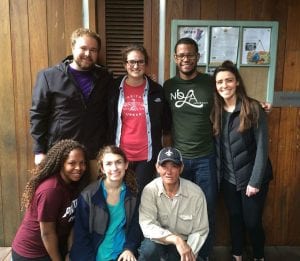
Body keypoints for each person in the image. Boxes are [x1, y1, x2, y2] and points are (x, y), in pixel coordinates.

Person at [30, 27, 113, 180]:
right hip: (61, 153)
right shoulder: (49, 76)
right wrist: (39, 151)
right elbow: (38, 115)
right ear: (73, 47)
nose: (88, 54)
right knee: (60, 198)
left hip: (94, 154)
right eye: (83, 48)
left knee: (90, 199)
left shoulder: (105, 77)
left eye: (93, 50)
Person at [210, 61, 273, 261]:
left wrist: (255, 181)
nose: (224, 85)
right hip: (228, 178)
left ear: (237, 82)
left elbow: (262, 147)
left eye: (229, 80)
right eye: (219, 82)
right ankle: (237, 254)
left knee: (252, 222)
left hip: (253, 178)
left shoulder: (252, 108)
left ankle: (258, 256)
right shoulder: (215, 110)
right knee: (235, 219)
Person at [163, 37, 216, 260]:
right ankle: (183, 254)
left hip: (206, 158)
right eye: (181, 55)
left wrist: (258, 103)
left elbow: (233, 99)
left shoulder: (210, 82)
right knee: (179, 210)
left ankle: (202, 256)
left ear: (197, 57)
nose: (186, 59)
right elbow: (164, 123)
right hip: (179, 161)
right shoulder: (169, 86)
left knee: (207, 210)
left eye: (190, 55)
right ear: (175, 58)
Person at [11, 139, 89, 261]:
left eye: (82, 163)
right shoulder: (51, 190)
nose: (78, 168)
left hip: (54, 247)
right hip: (32, 254)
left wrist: (70, 252)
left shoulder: (75, 184)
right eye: (72, 163)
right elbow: (47, 233)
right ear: (61, 163)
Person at [108, 44, 171, 192]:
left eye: (140, 62)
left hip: (147, 157)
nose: (136, 66)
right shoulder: (113, 89)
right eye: (131, 62)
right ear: (125, 64)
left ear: (146, 64)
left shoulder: (157, 90)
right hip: (120, 156)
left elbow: (166, 124)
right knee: (121, 196)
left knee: (142, 198)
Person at [70, 145, 142, 261]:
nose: (114, 168)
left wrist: (129, 248)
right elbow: (81, 236)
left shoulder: (133, 194)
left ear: (126, 165)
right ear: (102, 168)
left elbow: (135, 227)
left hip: (122, 255)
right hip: (94, 255)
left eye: (118, 162)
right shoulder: (88, 195)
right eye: (108, 164)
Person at [139, 147, 209, 261]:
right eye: (164, 166)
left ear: (181, 168)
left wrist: (188, 253)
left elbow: (200, 230)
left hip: (184, 245)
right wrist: (176, 240)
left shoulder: (196, 193)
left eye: (174, 166)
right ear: (157, 167)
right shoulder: (150, 190)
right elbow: (147, 225)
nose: (169, 171)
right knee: (148, 250)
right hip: (159, 241)